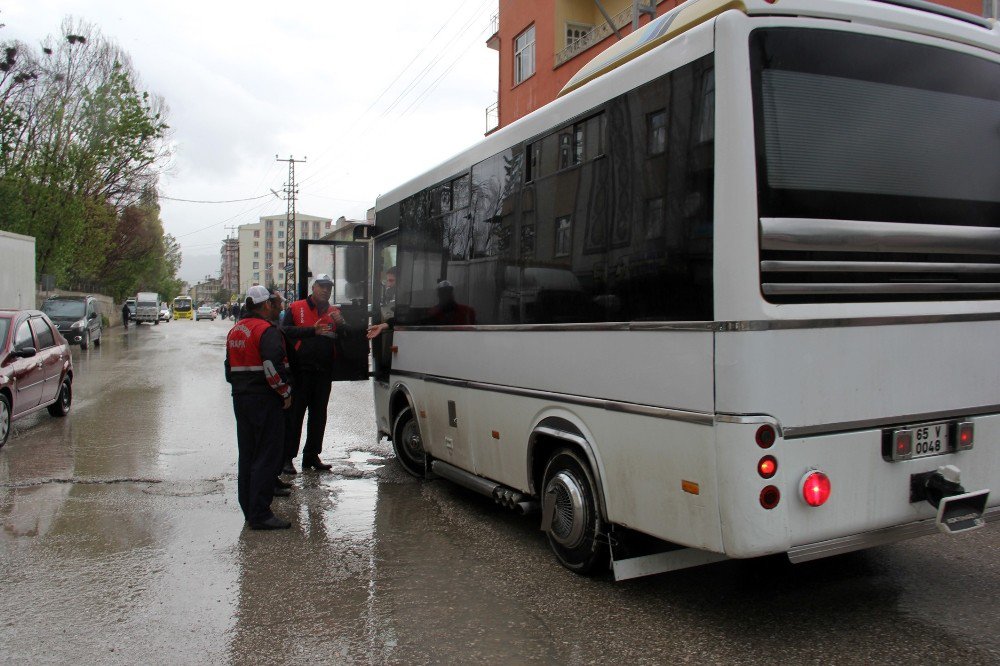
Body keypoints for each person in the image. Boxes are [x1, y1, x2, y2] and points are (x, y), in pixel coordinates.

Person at [225, 285, 294, 530]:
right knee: (267, 455)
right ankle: (261, 514)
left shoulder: (235, 331)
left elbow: (228, 370)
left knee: (248, 455)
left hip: (241, 398)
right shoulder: (267, 331)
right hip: (264, 400)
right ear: (265, 305)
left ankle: (249, 509)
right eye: (272, 303)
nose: (275, 307)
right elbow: (272, 367)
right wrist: (285, 392)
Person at [281, 273, 346, 473]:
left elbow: (346, 339)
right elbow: (284, 332)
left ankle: (311, 456)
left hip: (323, 373)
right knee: (295, 417)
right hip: (300, 372)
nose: (326, 290)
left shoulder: (335, 312)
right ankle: (287, 458)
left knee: (319, 416)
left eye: (329, 287)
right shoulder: (295, 308)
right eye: (322, 286)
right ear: (313, 287)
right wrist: (310, 332)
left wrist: (342, 324)